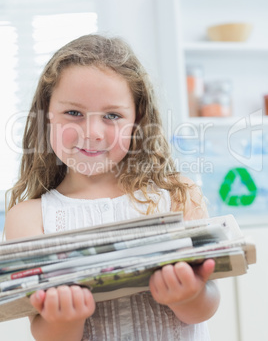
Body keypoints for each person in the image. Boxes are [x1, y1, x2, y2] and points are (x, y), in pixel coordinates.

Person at [5, 34, 220, 341]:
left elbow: (207, 305)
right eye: (74, 113)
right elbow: (43, 330)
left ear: (138, 120)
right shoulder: (27, 218)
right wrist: (65, 319)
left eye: (112, 116)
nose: (92, 132)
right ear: (46, 115)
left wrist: (187, 295)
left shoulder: (178, 194)